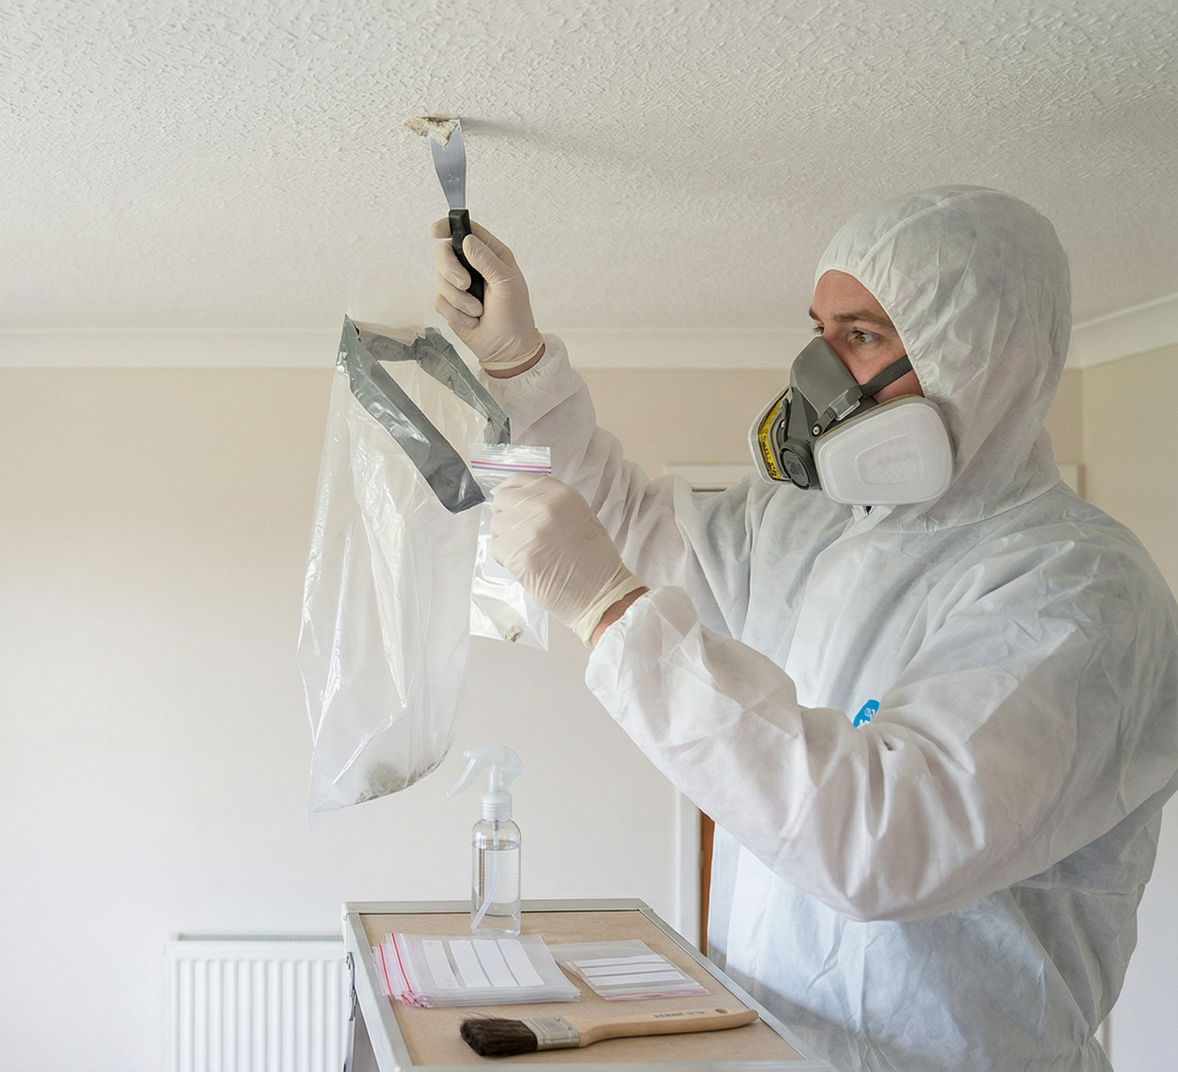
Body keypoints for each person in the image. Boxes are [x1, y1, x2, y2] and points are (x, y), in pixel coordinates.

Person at [432, 186, 1178, 1071]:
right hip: (775, 1047)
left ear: (987, 360)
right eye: (821, 332)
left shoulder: (1080, 593)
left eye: (861, 336)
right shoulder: (814, 520)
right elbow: (632, 529)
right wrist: (522, 372)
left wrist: (610, 612)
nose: (820, 374)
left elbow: (885, 842)